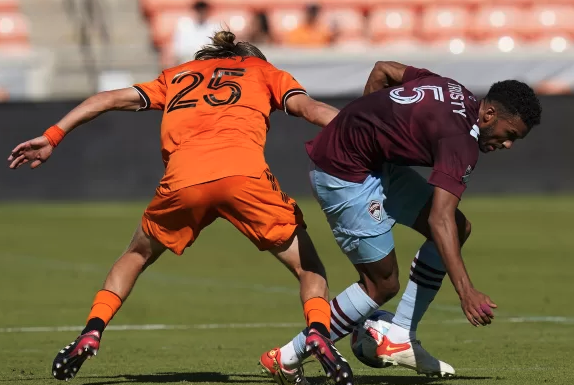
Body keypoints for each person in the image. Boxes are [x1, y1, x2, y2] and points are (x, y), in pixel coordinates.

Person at [7, 31, 354, 384]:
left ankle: (93, 330)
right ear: (250, 58)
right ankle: (317, 332)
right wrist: (368, 132)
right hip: (244, 178)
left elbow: (107, 98)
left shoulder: (177, 76)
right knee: (309, 267)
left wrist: (52, 136)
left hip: (183, 179)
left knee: (136, 255)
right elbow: (311, 110)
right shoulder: (265, 72)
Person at [259, 61, 542, 382]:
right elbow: (439, 218)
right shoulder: (461, 141)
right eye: (510, 134)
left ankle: (400, 334)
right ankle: (287, 356)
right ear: (489, 115)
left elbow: (384, 70)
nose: (508, 144)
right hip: (343, 171)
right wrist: (466, 291)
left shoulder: (453, 89)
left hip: (372, 162)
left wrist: (362, 121)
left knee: (460, 227)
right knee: (382, 283)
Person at [169, 1, 220, 67]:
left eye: (203, 10)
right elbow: (178, 49)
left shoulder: (215, 27)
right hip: (188, 60)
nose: (201, 13)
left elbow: (217, 49)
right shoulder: (183, 25)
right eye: (198, 10)